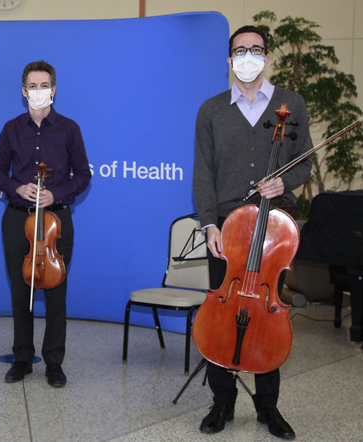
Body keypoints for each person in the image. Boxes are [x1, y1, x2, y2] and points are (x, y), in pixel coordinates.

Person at [193, 25, 312, 439]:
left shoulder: (290, 104)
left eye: (256, 49)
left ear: (266, 55)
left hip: (273, 226)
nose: (248, 55)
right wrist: (209, 222)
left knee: (267, 313)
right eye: (240, 50)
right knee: (220, 315)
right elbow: (203, 172)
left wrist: (285, 182)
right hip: (227, 226)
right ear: (229, 60)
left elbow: (303, 162)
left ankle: (268, 408)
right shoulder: (211, 109)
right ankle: (221, 402)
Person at [0, 60, 91, 388]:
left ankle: (54, 362)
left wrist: (56, 193)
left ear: (54, 90)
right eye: (32, 87)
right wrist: (17, 188)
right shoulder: (11, 129)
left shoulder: (69, 129)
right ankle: (22, 358)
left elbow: (83, 175)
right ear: (23, 91)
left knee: (56, 293)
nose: (38, 92)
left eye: (44, 86)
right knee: (21, 293)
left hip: (56, 220)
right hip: (18, 219)